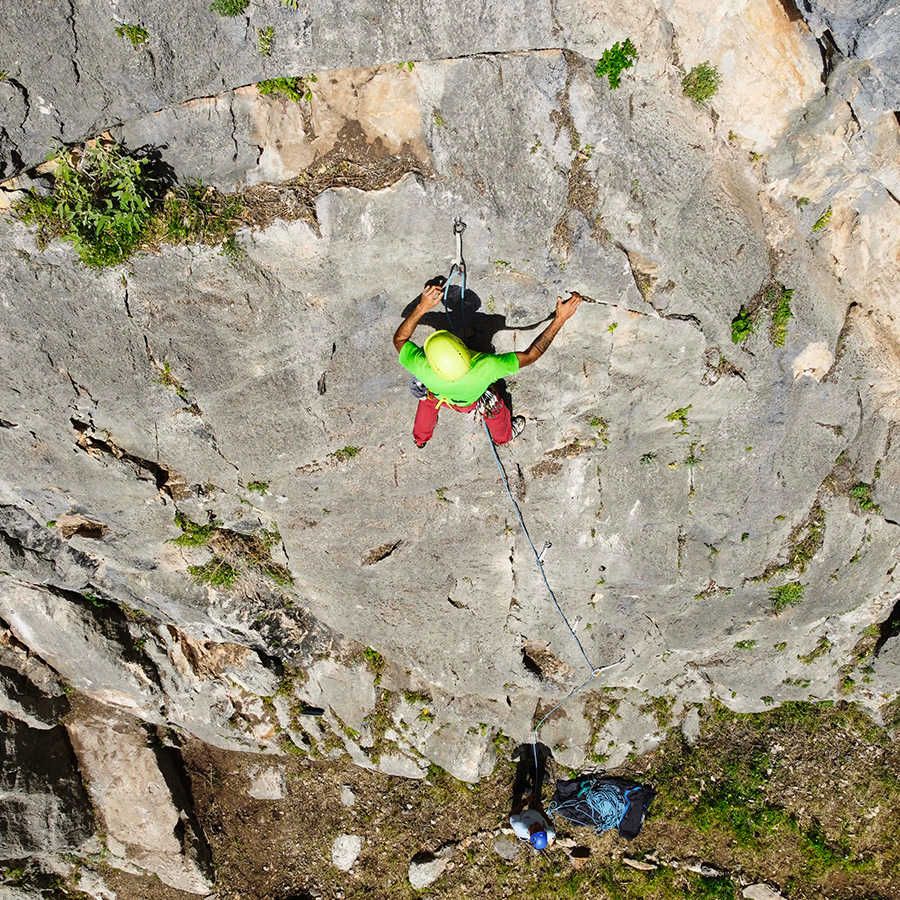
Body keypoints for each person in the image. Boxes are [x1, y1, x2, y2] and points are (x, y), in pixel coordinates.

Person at [393, 282, 583, 447]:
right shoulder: (486, 366)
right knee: (494, 410)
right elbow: (531, 355)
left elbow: (400, 339)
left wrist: (422, 307)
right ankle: (504, 437)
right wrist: (560, 319)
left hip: (439, 393)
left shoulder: (422, 367)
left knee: (427, 399)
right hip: (471, 401)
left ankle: (420, 438)